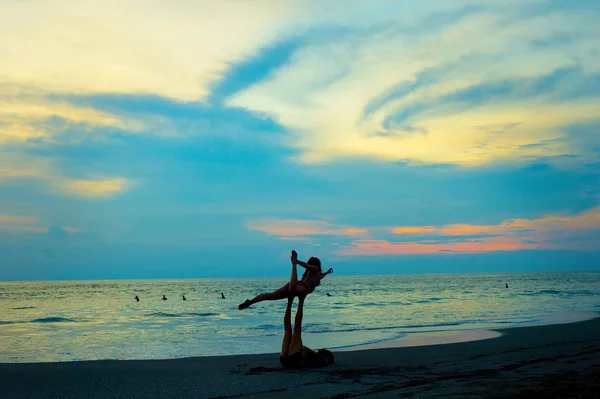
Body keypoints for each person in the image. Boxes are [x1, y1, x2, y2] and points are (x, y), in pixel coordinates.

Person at [279, 256, 334, 368]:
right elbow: (320, 276)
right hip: (286, 360)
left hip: (292, 360)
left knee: (295, 329)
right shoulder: (321, 360)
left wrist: (296, 262)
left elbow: (304, 351)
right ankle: (291, 303)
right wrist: (327, 272)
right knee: (289, 329)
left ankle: (291, 303)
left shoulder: (322, 359)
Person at [238, 250, 333, 310]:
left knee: (271, 295)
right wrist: (297, 261)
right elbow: (307, 266)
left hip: (292, 285)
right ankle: (294, 265)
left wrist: (327, 273)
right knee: (294, 301)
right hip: (300, 288)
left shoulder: (315, 275)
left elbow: (320, 276)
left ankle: (250, 302)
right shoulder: (314, 269)